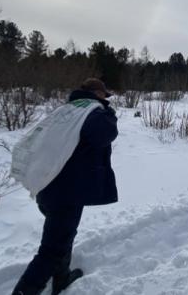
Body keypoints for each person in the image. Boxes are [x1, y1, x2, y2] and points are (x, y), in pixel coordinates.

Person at [12, 78, 118, 295]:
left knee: (63, 234)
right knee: (52, 249)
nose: (106, 100)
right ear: (98, 93)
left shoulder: (67, 111)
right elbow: (104, 135)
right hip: (65, 190)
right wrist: (109, 113)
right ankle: (25, 291)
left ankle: (61, 278)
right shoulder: (92, 112)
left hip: (48, 184)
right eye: (105, 96)